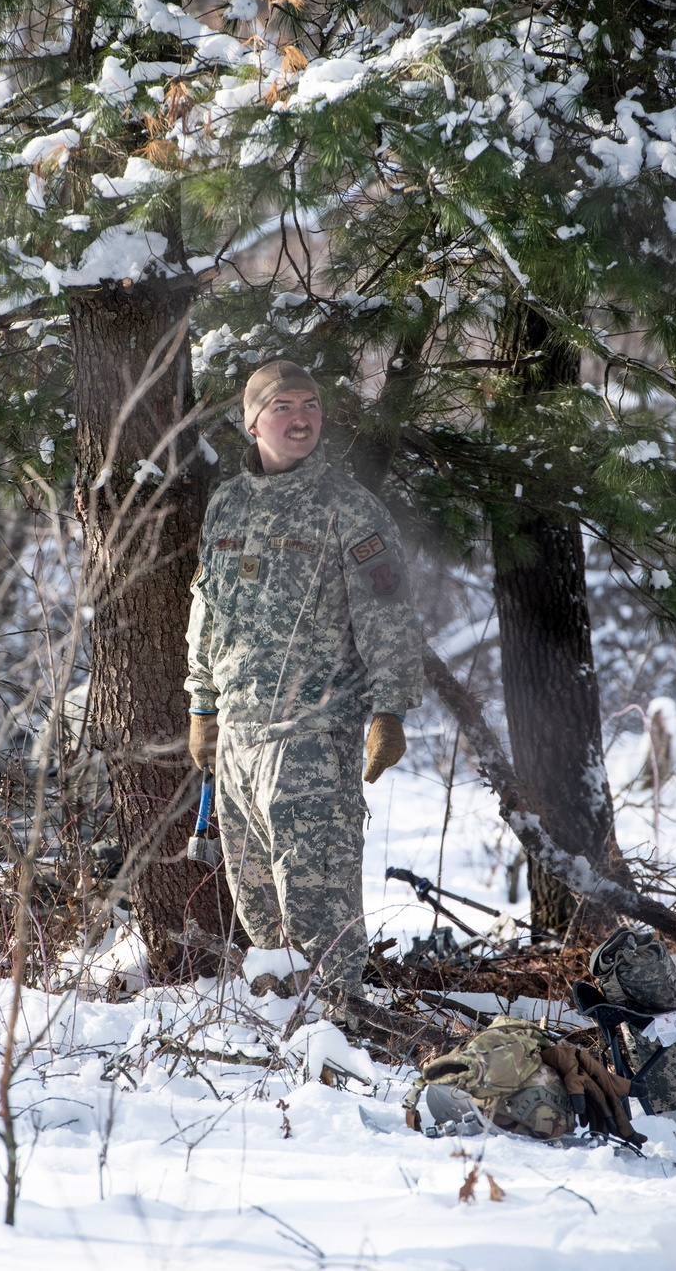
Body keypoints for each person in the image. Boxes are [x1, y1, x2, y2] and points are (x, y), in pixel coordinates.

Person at [185, 360, 424, 1022]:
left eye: (311, 406)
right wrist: (202, 705)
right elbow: (206, 609)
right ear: (252, 420)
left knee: (318, 899)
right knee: (256, 901)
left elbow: (390, 616)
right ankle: (279, 1033)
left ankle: (340, 1030)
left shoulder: (349, 509)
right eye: (283, 406)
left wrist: (389, 710)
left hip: (313, 733)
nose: (300, 418)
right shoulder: (228, 504)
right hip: (236, 737)